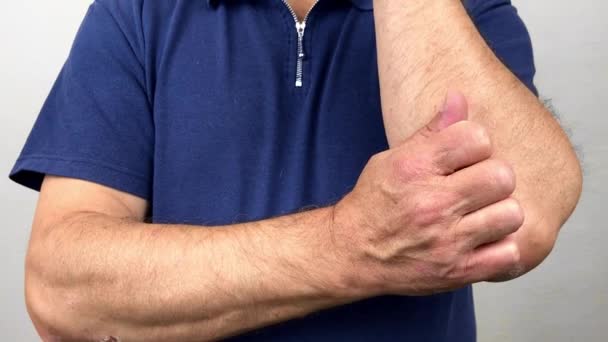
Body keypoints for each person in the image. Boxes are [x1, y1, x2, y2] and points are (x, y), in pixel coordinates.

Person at [10, 0, 582, 341]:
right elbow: (62, 292)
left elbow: (519, 218)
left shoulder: (456, 10)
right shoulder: (138, 10)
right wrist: (352, 247)